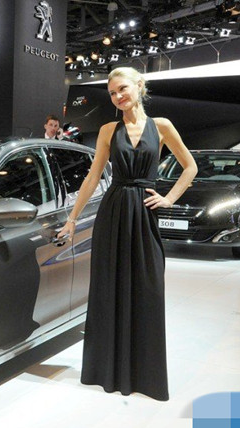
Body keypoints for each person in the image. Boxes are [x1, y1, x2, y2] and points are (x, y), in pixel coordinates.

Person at [56, 67, 197, 401]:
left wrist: (169, 198)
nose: (118, 97)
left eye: (122, 89)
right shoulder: (108, 130)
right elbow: (93, 177)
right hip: (115, 211)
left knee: (148, 287)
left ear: (139, 86)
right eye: (112, 93)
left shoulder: (162, 126)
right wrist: (72, 219)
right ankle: (106, 370)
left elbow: (190, 166)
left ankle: (144, 375)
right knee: (110, 288)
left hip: (145, 214)